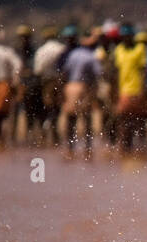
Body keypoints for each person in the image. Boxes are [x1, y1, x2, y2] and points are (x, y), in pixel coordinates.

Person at [61, 28, 100, 158]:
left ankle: (70, 147)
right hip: (84, 87)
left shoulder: (73, 54)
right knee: (86, 117)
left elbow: (65, 71)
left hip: (71, 86)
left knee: (71, 117)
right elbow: (98, 73)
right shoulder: (91, 56)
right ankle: (87, 147)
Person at [112, 25, 147, 153]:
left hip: (137, 90)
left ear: (132, 36)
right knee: (123, 120)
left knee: (139, 120)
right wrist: (115, 91)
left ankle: (141, 149)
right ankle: (125, 148)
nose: (125, 38)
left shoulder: (140, 49)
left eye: (127, 36)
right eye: (123, 36)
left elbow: (144, 70)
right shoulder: (119, 50)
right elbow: (116, 72)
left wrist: (143, 90)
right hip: (123, 91)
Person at [0, 32, 22, 148]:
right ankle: (3, 140)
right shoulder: (6, 52)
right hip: (4, 84)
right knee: (4, 114)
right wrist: (14, 79)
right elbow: (18, 65)